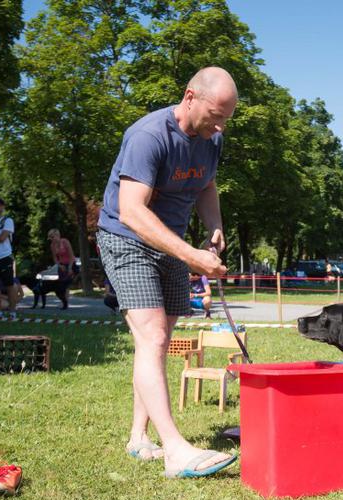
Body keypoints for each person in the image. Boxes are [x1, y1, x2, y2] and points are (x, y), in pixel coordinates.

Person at [96, 66, 238, 478]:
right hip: (127, 237)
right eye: (216, 115)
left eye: (226, 119)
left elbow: (206, 185)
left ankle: (139, 437)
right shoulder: (149, 136)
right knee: (153, 335)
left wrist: (214, 225)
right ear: (190, 97)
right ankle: (175, 451)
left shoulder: (212, 139)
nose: (220, 126)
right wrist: (191, 256)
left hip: (171, 242)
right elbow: (131, 210)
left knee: (157, 342)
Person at [48, 229, 76, 308]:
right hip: (61, 265)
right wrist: (60, 266)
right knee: (61, 284)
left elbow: (71, 256)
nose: (51, 239)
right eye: (50, 238)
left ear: (57, 235)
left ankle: (66, 302)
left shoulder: (65, 242)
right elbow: (55, 259)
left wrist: (70, 268)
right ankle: (64, 301)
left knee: (66, 285)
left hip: (70, 263)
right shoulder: (52, 245)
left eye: (52, 237)